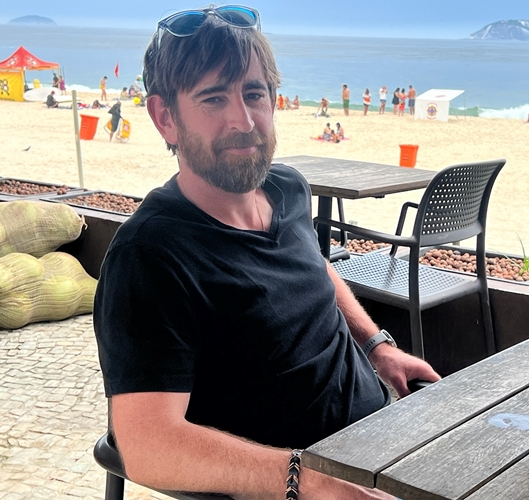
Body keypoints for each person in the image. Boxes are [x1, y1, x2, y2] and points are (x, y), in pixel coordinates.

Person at [93, 6, 440, 499]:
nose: (244, 119)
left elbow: (314, 268)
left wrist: (376, 347)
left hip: (383, 435)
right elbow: (147, 443)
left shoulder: (288, 189)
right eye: (214, 98)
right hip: (297, 481)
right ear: (165, 118)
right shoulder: (148, 257)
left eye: (254, 93)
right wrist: (311, 482)